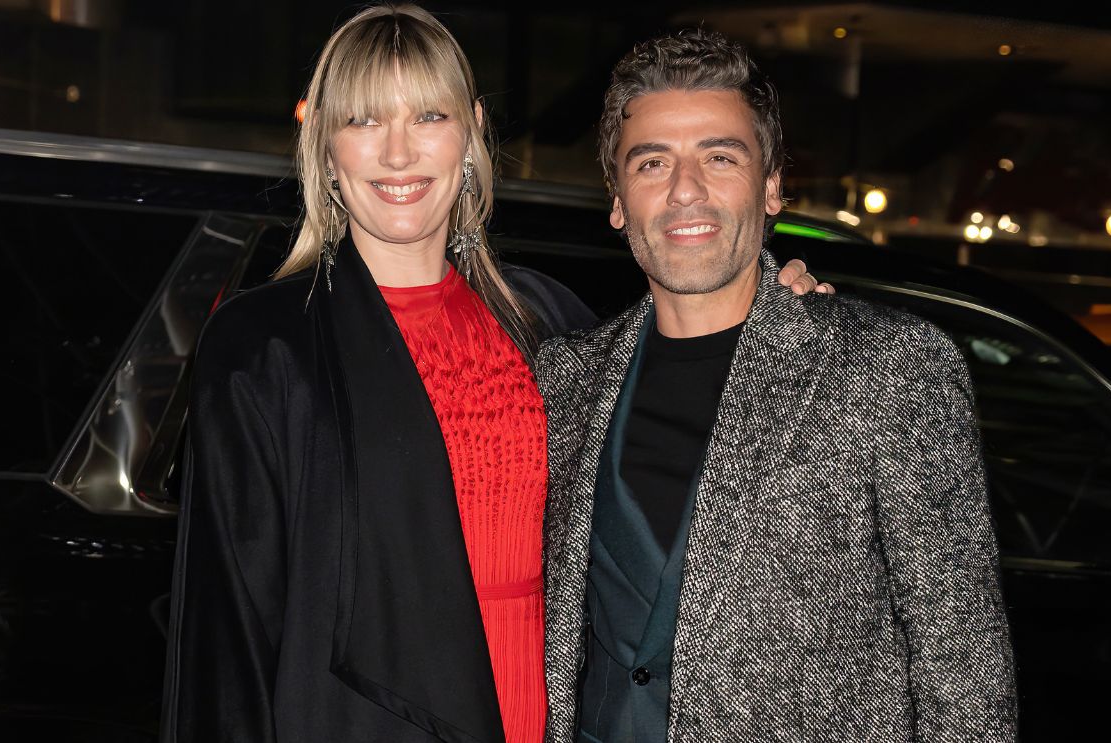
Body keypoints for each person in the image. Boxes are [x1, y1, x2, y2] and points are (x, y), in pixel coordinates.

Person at [159, 6, 824, 742]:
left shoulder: (546, 319)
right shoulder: (266, 345)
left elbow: (678, 440)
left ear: (471, 131)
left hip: (551, 714)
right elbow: (227, 635)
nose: (399, 152)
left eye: (429, 115)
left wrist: (769, 318)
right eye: (364, 121)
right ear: (323, 143)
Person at [537, 28, 1017, 742]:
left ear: (770, 187)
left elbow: (962, 668)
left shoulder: (888, 369)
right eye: (651, 163)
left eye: (719, 157)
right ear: (616, 199)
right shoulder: (560, 382)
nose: (684, 191)